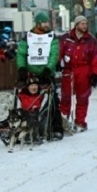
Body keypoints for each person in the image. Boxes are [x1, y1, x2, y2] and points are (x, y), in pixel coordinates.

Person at [16, 11, 63, 140]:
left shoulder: (52, 37)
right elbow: (21, 53)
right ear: (38, 23)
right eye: (44, 22)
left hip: (46, 73)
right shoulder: (28, 37)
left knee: (53, 102)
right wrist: (21, 68)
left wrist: (49, 68)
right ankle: (22, 125)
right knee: (25, 99)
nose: (46, 24)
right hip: (30, 74)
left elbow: (54, 54)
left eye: (47, 22)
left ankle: (56, 128)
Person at [59, 15, 97, 132]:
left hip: (84, 70)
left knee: (82, 98)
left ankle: (80, 122)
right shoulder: (66, 38)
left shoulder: (91, 40)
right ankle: (63, 120)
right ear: (76, 25)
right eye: (82, 24)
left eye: (86, 24)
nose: (84, 26)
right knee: (66, 97)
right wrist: (58, 63)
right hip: (69, 70)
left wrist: (95, 74)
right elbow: (59, 51)